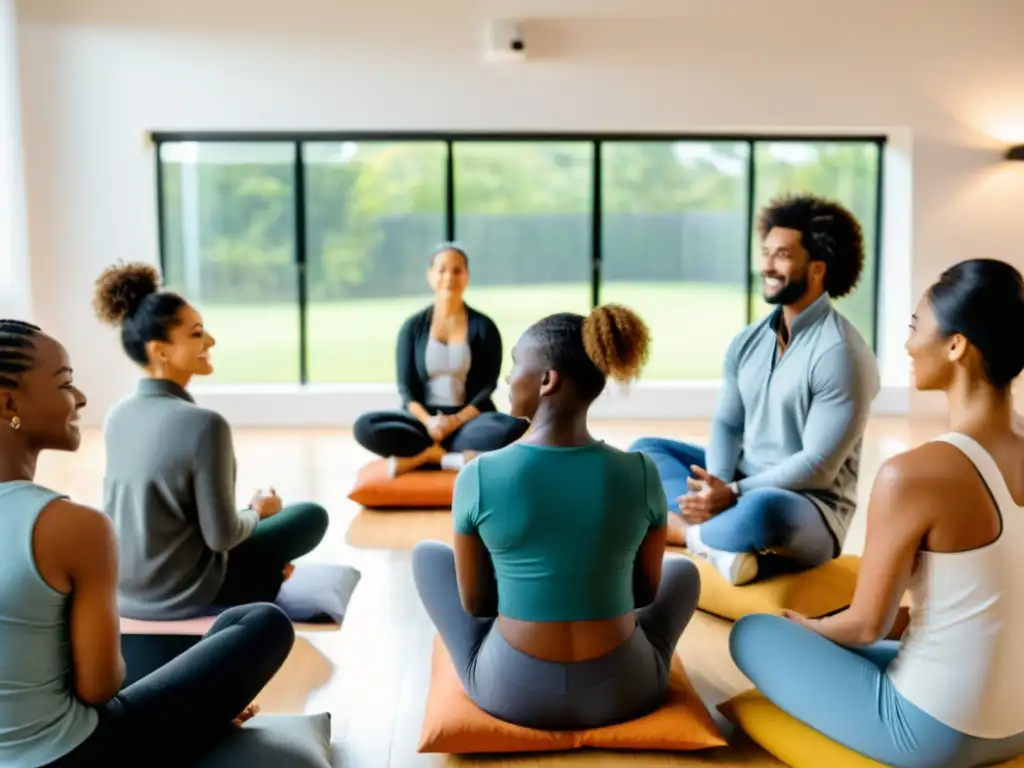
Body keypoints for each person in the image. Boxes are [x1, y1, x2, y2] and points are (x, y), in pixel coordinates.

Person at [729, 258, 1024, 768]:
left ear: (956, 346)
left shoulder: (913, 474)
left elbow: (867, 625)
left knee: (753, 634)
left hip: (937, 736)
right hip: (1017, 724)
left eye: (915, 328)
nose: (908, 344)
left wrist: (809, 629)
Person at [0, 319, 295, 767]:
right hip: (73, 755)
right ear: (8, 403)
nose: (79, 398)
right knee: (262, 623)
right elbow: (99, 689)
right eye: (65, 383)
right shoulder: (73, 526)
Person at [412, 305, 702, 731]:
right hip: (625, 687)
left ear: (548, 380)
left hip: (512, 690)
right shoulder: (642, 471)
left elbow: (477, 606)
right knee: (684, 572)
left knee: (426, 556)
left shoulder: (478, 474)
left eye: (515, 365)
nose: (508, 378)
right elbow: (642, 594)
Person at [630, 194, 880, 585]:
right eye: (765, 252)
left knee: (764, 511)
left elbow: (817, 466)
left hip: (806, 507)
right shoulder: (747, 341)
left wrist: (731, 491)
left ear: (817, 268)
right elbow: (728, 424)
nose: (766, 265)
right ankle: (721, 542)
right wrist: (716, 482)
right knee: (645, 452)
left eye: (781, 255)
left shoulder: (842, 354)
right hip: (740, 485)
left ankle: (683, 533)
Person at [93, 262, 329, 620]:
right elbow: (221, 537)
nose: (210, 341)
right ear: (160, 351)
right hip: (188, 594)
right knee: (310, 516)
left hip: (123, 593)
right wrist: (257, 511)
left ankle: (265, 569)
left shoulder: (116, 416)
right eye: (196, 333)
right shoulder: (206, 425)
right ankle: (264, 576)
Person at [353, 244, 529, 476]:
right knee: (365, 426)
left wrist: (453, 422)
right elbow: (406, 390)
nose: (449, 277)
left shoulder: (484, 327)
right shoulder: (413, 327)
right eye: (442, 270)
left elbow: (486, 387)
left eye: (457, 270)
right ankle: (453, 458)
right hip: (422, 425)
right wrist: (430, 423)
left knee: (516, 427)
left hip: (468, 422)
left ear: (467, 276)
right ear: (430, 276)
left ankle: (428, 457)